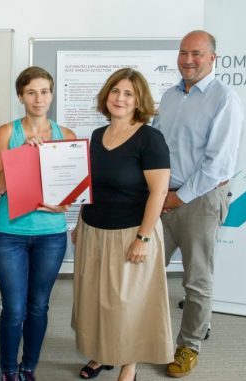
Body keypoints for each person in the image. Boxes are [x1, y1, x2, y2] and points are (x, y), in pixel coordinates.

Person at [71, 68, 173, 381]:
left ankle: (129, 365)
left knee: (126, 304)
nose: (120, 98)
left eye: (128, 93)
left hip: (131, 232)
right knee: (96, 300)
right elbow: (91, 186)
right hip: (94, 229)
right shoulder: (97, 136)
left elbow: (159, 192)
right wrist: (78, 222)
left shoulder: (150, 139)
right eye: (116, 91)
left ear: (139, 100)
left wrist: (143, 238)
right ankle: (102, 354)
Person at [153, 30, 244, 378]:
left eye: (196, 53)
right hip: (164, 196)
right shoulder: (170, 96)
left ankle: (189, 345)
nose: (187, 59)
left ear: (212, 58)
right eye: (182, 52)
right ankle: (148, 337)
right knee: (146, 274)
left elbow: (218, 165)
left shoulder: (225, 99)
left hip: (201, 200)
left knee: (197, 280)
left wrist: (177, 197)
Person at [0, 66, 76, 381]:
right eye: (31, 92)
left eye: (44, 91)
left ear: (51, 95)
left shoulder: (65, 135)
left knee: (38, 307)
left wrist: (66, 203)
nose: (38, 98)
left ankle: (29, 368)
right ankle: (8, 370)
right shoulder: (6, 133)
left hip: (51, 234)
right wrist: (18, 157)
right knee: (14, 309)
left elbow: (71, 190)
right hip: (10, 233)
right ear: (21, 96)